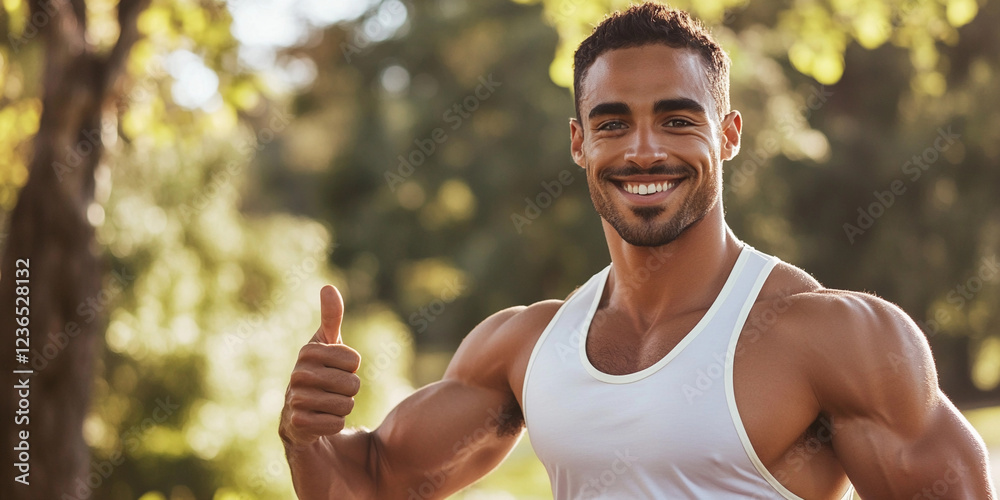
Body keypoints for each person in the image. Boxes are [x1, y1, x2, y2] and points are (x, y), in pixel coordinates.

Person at [279, 3, 997, 498]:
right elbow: (372, 481)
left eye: (678, 119)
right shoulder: (523, 345)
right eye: (613, 123)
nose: (644, 149)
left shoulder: (839, 338)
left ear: (728, 134)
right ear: (579, 143)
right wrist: (306, 437)